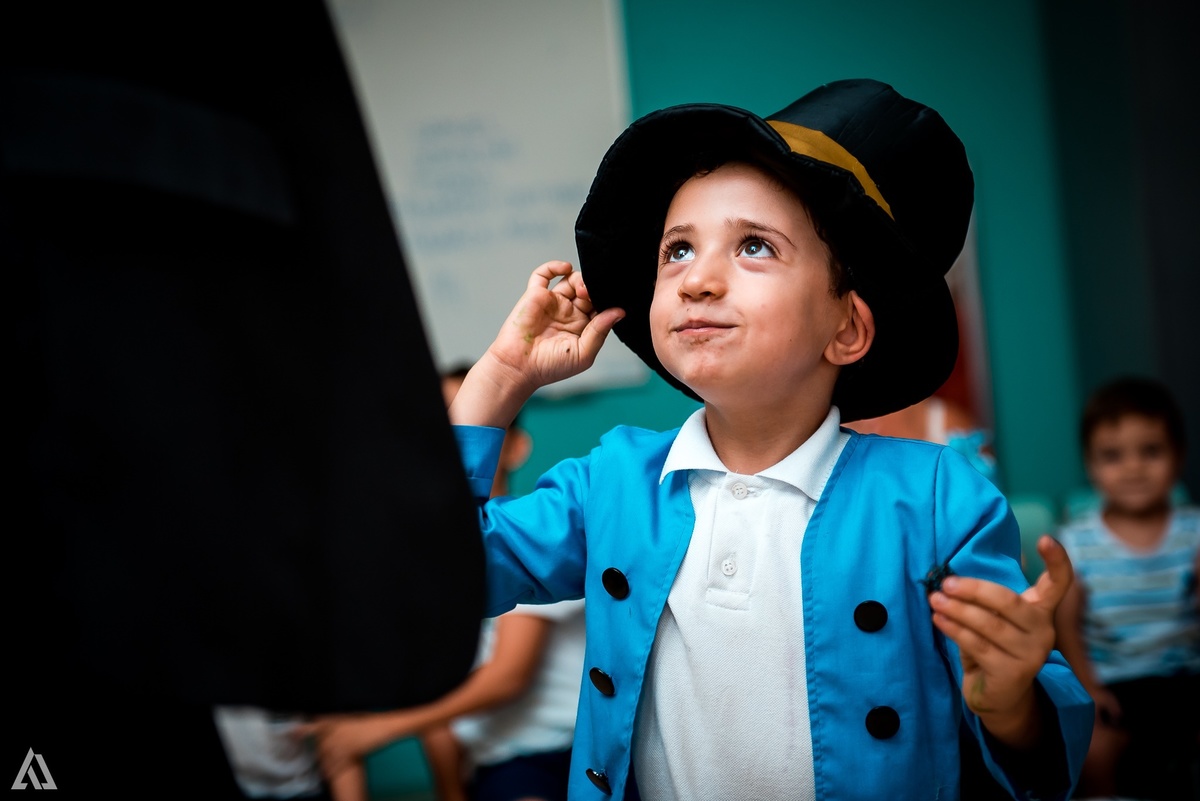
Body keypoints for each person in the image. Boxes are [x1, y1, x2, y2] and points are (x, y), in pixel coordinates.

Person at [447, 78, 1092, 799]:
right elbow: (436, 576)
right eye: (678, 251)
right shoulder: (613, 482)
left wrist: (1011, 702)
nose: (697, 281)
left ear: (846, 326)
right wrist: (496, 380)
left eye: (754, 246)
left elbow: (1037, 742)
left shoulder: (938, 498)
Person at [300, 367, 586, 801]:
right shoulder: (426, 563)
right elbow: (442, 704)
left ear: (516, 447)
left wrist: (380, 728)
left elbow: (507, 676)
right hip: (497, 764)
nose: (450, 440)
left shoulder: (538, 533)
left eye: (473, 421)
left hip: (566, 756)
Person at [1053, 377, 1200, 800]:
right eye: (1113, 456)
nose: (1133, 468)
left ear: (1178, 457)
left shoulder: (1191, 534)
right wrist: (1089, 687)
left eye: (1150, 452)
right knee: (1093, 751)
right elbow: (1067, 627)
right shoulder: (1078, 541)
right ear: (1090, 464)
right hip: (1114, 686)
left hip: (1183, 677)